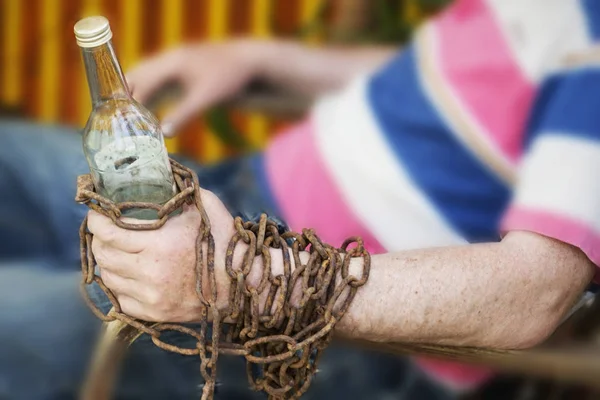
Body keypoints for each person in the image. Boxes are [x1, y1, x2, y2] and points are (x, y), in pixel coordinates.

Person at [1, 0, 600, 398]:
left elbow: (536, 291)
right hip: (234, 196)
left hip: (319, 328)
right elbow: (452, 77)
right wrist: (264, 57)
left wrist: (241, 278)